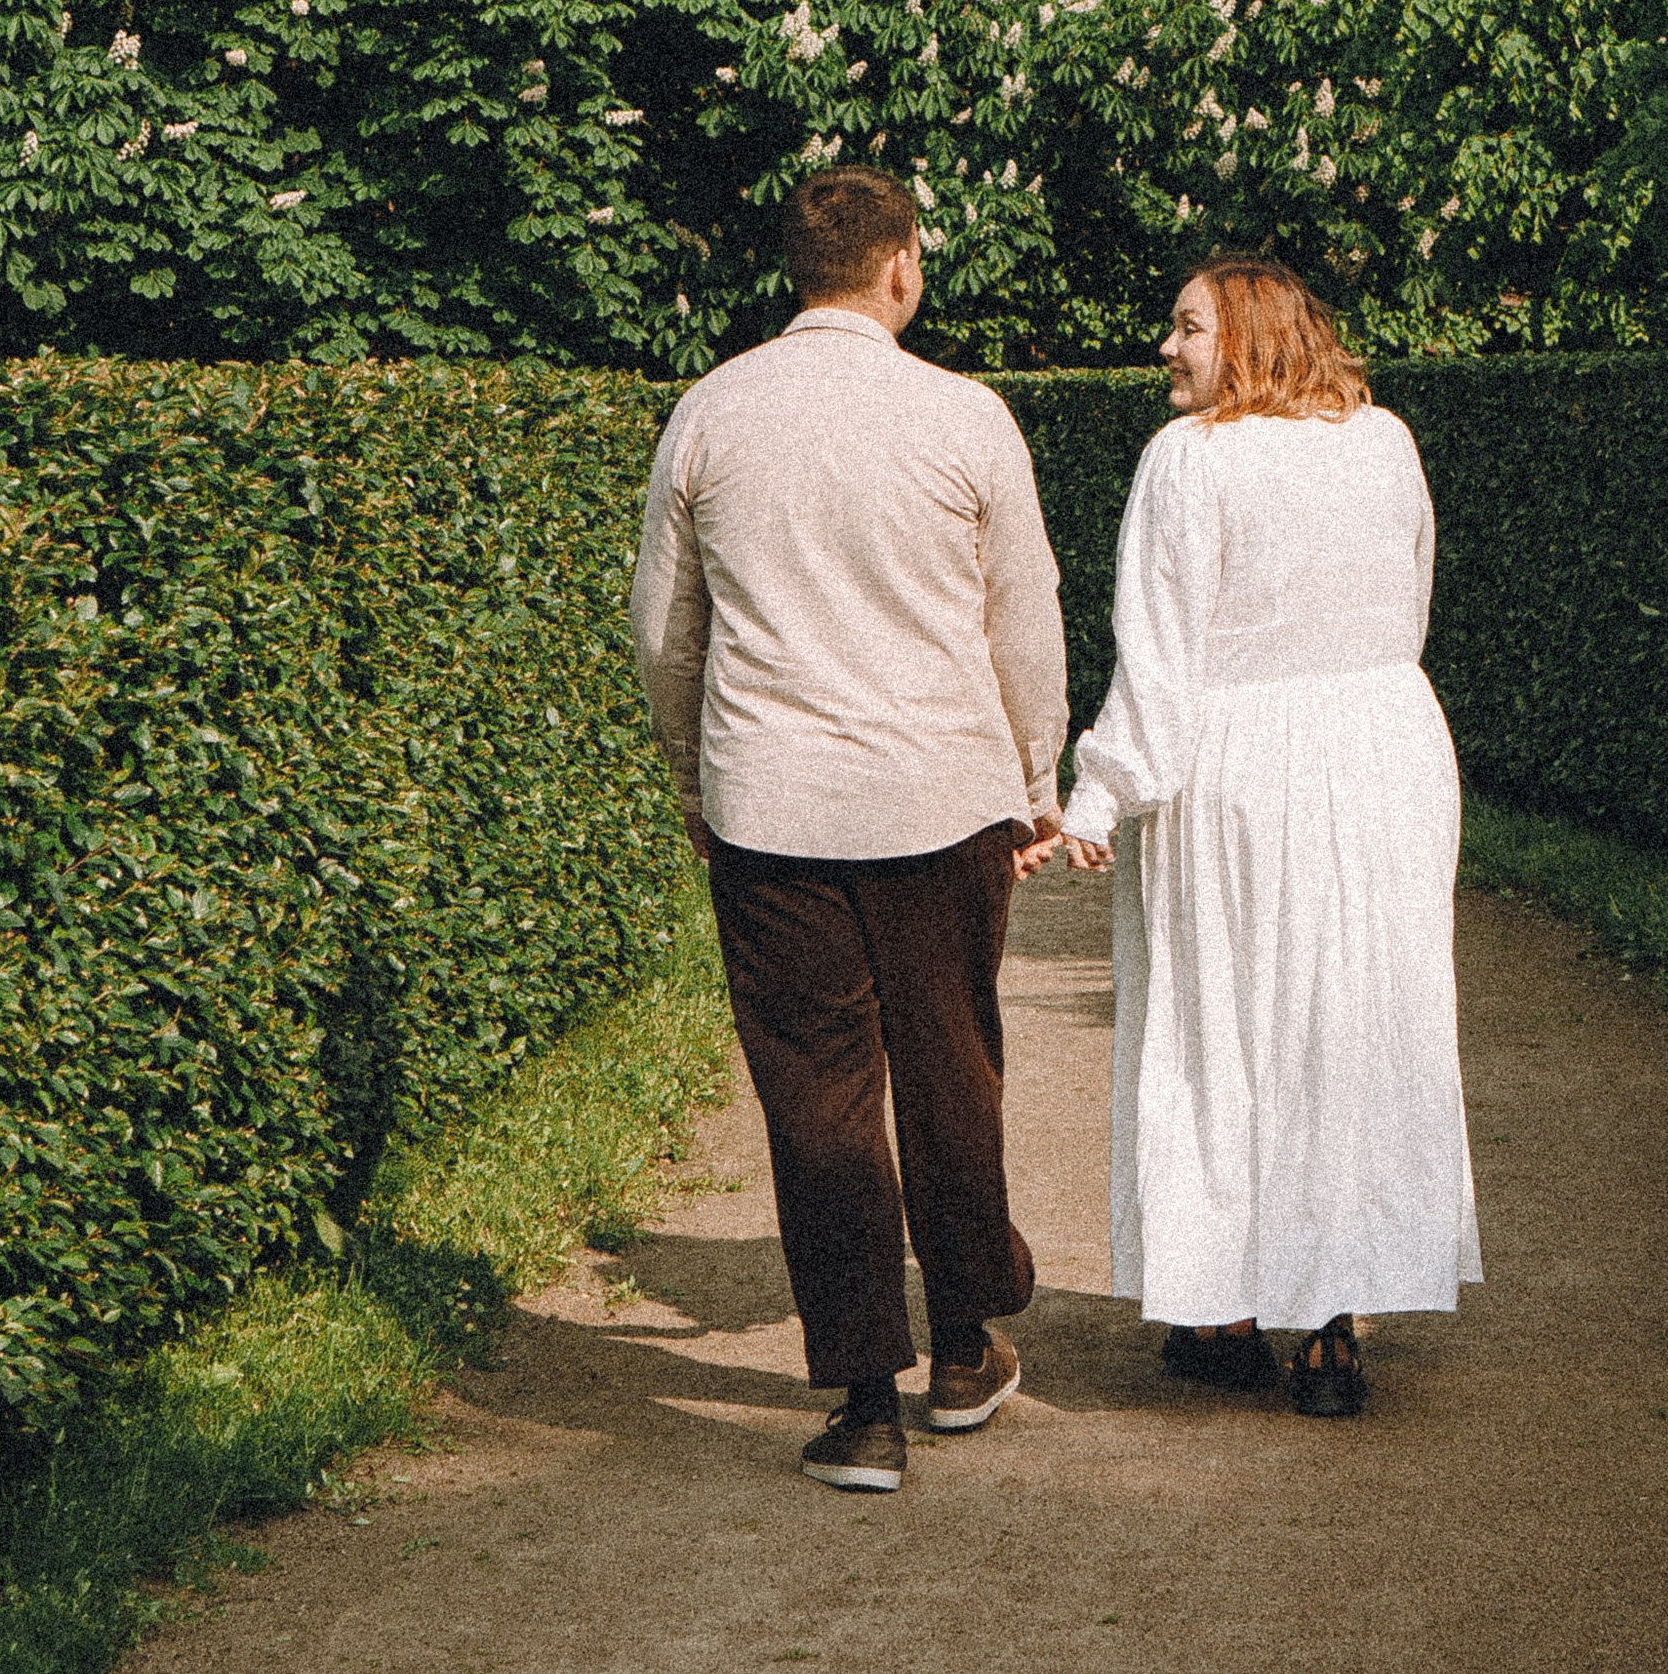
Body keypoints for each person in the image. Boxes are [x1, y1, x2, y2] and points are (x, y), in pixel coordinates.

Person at [631, 166, 1068, 1496]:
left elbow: (663, 632)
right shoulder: (966, 415)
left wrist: (695, 782)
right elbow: (1023, 615)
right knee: (953, 1067)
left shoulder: (710, 411)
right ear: (900, 268)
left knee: (818, 1099)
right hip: (943, 799)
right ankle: (965, 1345)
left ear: (795, 271)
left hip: (774, 806)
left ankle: (864, 1405)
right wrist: (1034, 777)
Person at [1059, 258, 1480, 1416]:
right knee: (1357, 1025)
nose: (1167, 348)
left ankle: (1226, 1309)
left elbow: (1159, 653)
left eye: (1187, 328)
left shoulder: (1188, 459)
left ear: (1245, 338)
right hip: (1387, 749)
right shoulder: (1384, 441)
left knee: (1225, 1027)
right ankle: (1335, 1322)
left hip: (1241, 763)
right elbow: (1409, 599)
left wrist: (1100, 795)